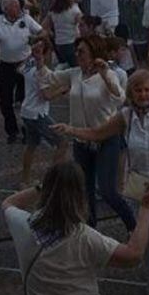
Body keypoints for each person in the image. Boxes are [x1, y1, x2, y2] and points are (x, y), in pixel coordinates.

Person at [54, 70, 149, 295]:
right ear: (131, 92)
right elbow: (97, 133)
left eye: (147, 90)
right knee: (146, 238)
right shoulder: (125, 116)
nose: (143, 94)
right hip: (141, 184)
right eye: (138, 90)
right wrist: (71, 130)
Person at [2, 161, 149, 295]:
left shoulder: (24, 225)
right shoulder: (84, 237)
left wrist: (42, 186)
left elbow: (9, 203)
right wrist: (146, 208)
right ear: (80, 195)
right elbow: (133, 255)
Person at [39, 36, 136, 232]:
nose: (77, 54)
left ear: (94, 53)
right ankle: (90, 230)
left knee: (108, 191)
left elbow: (120, 97)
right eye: (77, 51)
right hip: (81, 140)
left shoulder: (109, 74)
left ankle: (133, 226)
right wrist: (40, 60)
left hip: (106, 139)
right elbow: (49, 79)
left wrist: (105, 74)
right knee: (85, 189)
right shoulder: (74, 74)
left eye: (81, 51)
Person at [0, 0, 44, 144]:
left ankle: (27, 130)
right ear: (6, 9)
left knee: (26, 99)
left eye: (18, 6)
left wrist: (35, 39)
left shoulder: (26, 19)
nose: (19, 9)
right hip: (6, 65)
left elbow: (42, 31)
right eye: (15, 6)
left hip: (25, 64)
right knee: (5, 99)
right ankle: (12, 131)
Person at [18, 38, 67, 188]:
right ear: (48, 54)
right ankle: (51, 181)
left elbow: (18, 69)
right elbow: (46, 95)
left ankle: (25, 180)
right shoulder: (43, 72)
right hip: (38, 114)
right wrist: (63, 89)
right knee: (62, 143)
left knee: (31, 145)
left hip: (27, 111)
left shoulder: (28, 65)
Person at [42, 0, 82, 67]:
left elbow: (43, 26)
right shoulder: (74, 11)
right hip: (71, 42)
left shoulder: (53, 12)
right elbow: (82, 24)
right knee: (75, 67)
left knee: (64, 66)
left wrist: (51, 34)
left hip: (59, 44)